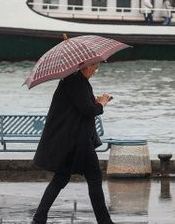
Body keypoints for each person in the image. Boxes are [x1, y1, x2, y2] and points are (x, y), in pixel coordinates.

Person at [33, 63, 114, 224]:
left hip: (70, 141)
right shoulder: (76, 82)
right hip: (78, 142)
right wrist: (101, 104)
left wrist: (94, 101)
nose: (95, 70)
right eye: (94, 67)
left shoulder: (73, 81)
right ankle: (105, 222)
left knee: (61, 178)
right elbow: (88, 110)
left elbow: (81, 106)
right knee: (94, 178)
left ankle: (39, 218)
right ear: (85, 66)